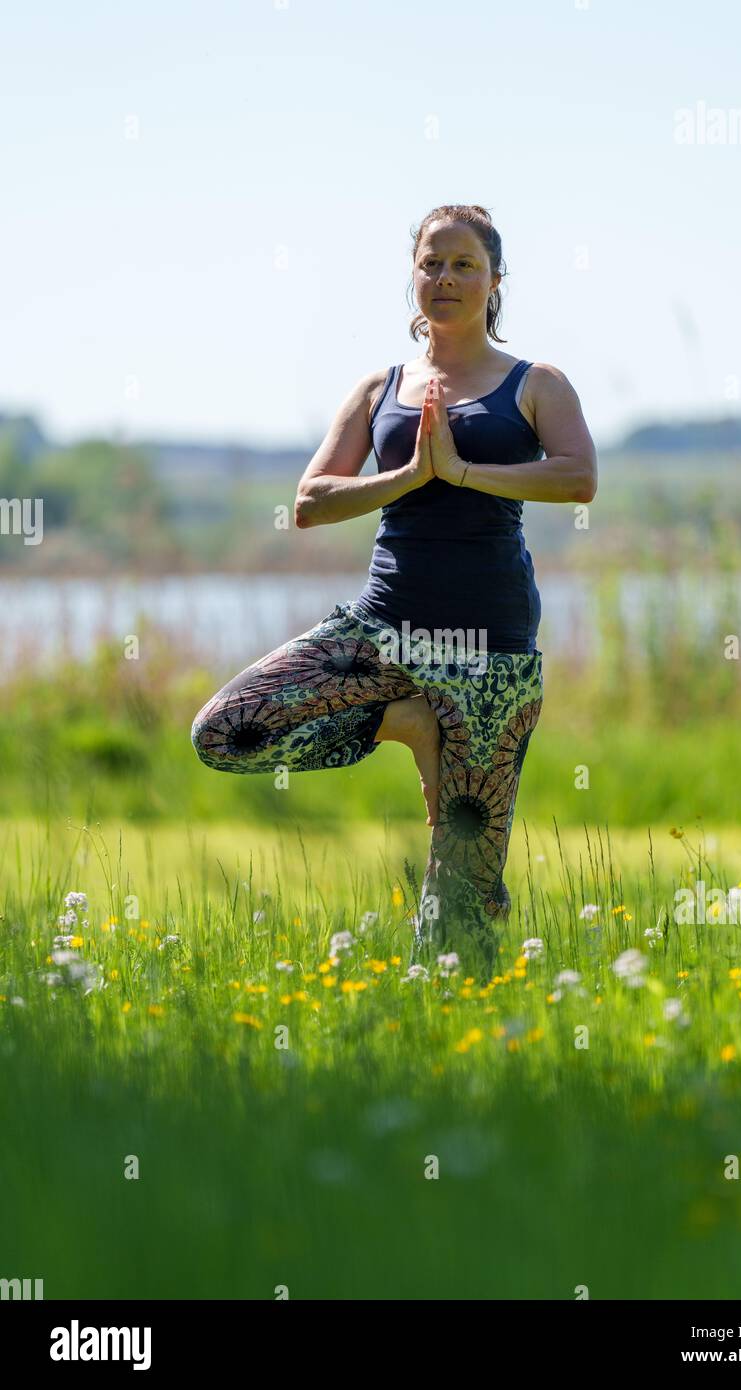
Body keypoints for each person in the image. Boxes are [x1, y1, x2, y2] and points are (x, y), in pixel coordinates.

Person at [191, 203, 597, 979]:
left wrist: (466, 472)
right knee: (227, 730)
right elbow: (311, 501)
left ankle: (457, 1051)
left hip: (490, 650)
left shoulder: (535, 383)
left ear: (495, 281)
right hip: (381, 632)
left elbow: (579, 478)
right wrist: (410, 476)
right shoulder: (380, 387)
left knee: (464, 907)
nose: (444, 278)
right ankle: (406, 723)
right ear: (413, 276)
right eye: (431, 263)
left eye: (464, 264)